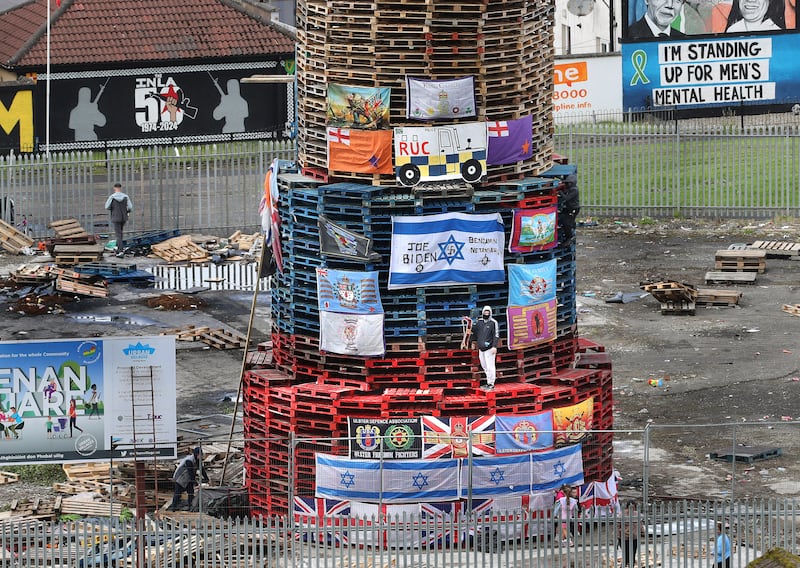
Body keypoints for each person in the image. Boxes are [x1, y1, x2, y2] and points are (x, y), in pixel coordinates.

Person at [169, 447, 209, 511]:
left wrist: (207, 479)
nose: (200, 456)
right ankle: (173, 508)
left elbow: (202, 469)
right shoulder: (189, 461)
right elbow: (190, 473)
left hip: (188, 478)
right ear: (196, 454)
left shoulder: (198, 460)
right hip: (180, 478)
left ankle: (191, 507)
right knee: (178, 493)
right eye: (199, 454)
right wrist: (195, 483)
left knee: (191, 492)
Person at [472, 306, 499, 390]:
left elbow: (496, 335)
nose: (486, 314)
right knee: (484, 365)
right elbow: (474, 331)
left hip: (489, 348)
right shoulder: (479, 322)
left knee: (490, 366)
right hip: (481, 349)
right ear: (482, 312)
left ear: (490, 313)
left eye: (488, 313)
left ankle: (491, 383)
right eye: (485, 312)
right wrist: (469, 323)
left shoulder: (493, 322)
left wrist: (494, 346)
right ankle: (488, 382)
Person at [104, 183, 133, 257]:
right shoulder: (126, 196)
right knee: (120, 232)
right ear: (121, 188)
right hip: (123, 217)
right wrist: (126, 211)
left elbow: (107, 207)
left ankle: (120, 250)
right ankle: (118, 248)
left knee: (118, 234)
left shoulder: (112, 197)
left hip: (115, 217)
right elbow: (130, 207)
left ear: (114, 188)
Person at [618, 501, 646, 568]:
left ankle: (631, 566)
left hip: (634, 537)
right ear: (627, 507)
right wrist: (622, 533)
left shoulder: (637, 514)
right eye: (630, 508)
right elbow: (617, 526)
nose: (631, 509)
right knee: (626, 555)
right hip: (624, 538)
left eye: (633, 508)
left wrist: (642, 532)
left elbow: (640, 524)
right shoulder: (622, 515)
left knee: (632, 555)